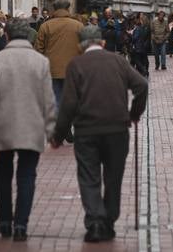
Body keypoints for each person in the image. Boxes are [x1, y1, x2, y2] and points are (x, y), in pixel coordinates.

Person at [51, 25, 148, 243]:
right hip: (117, 130)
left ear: (79, 46)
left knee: (89, 176)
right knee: (113, 178)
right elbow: (141, 85)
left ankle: (95, 222)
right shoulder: (118, 61)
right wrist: (134, 114)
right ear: (102, 43)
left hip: (86, 131)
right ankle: (109, 222)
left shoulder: (76, 65)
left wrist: (58, 135)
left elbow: (68, 105)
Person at [0, 18, 56, 242]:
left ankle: (5, 221)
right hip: (31, 126)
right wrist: (51, 130)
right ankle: (21, 224)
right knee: (27, 175)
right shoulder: (41, 62)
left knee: (3, 174)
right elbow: (48, 100)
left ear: (8, 36)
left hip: (2, 126)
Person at [36, 0, 82, 112]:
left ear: (54, 9)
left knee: (55, 101)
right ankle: (67, 126)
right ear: (68, 9)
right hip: (73, 70)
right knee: (72, 100)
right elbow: (84, 48)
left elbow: (38, 49)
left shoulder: (45, 26)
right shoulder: (78, 26)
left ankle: (57, 127)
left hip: (51, 70)